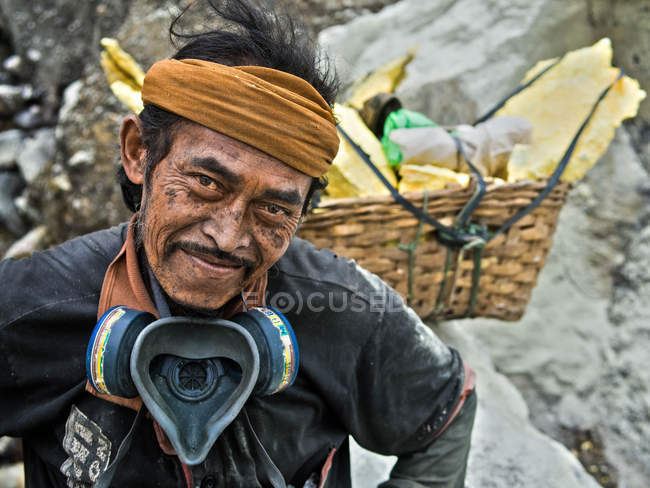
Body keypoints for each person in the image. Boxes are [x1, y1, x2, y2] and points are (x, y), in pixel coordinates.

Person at [0, 1, 476, 486]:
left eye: (273, 209)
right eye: (206, 182)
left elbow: (446, 410)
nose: (227, 237)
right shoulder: (30, 303)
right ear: (139, 153)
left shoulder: (346, 308)